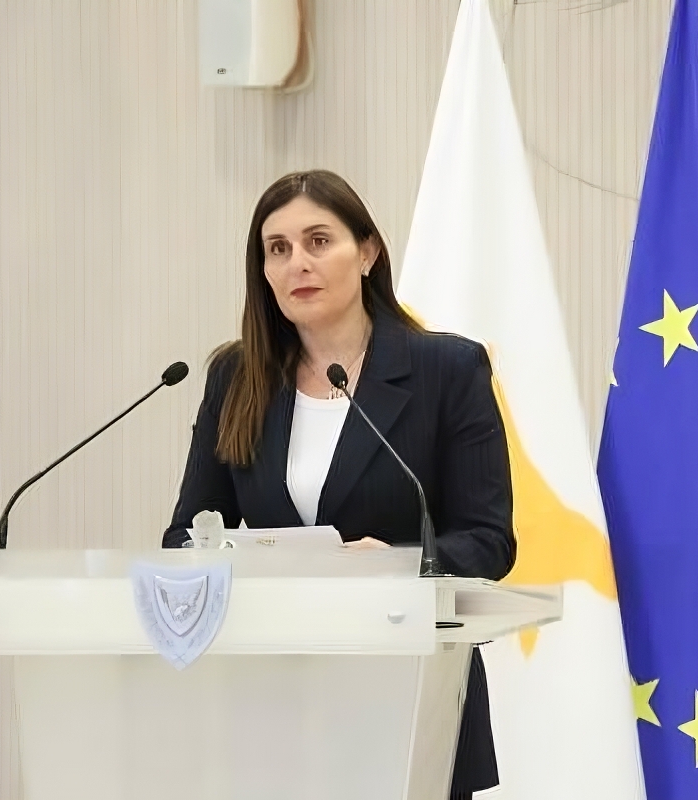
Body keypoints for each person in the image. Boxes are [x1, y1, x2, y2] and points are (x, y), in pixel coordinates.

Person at [163, 170, 516, 799]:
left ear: (368, 251)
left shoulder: (447, 369)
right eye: (277, 248)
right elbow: (186, 535)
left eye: (319, 241)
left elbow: (489, 540)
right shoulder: (236, 376)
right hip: (273, 704)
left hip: (410, 694)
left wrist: (401, 563)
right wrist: (227, 562)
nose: (297, 263)